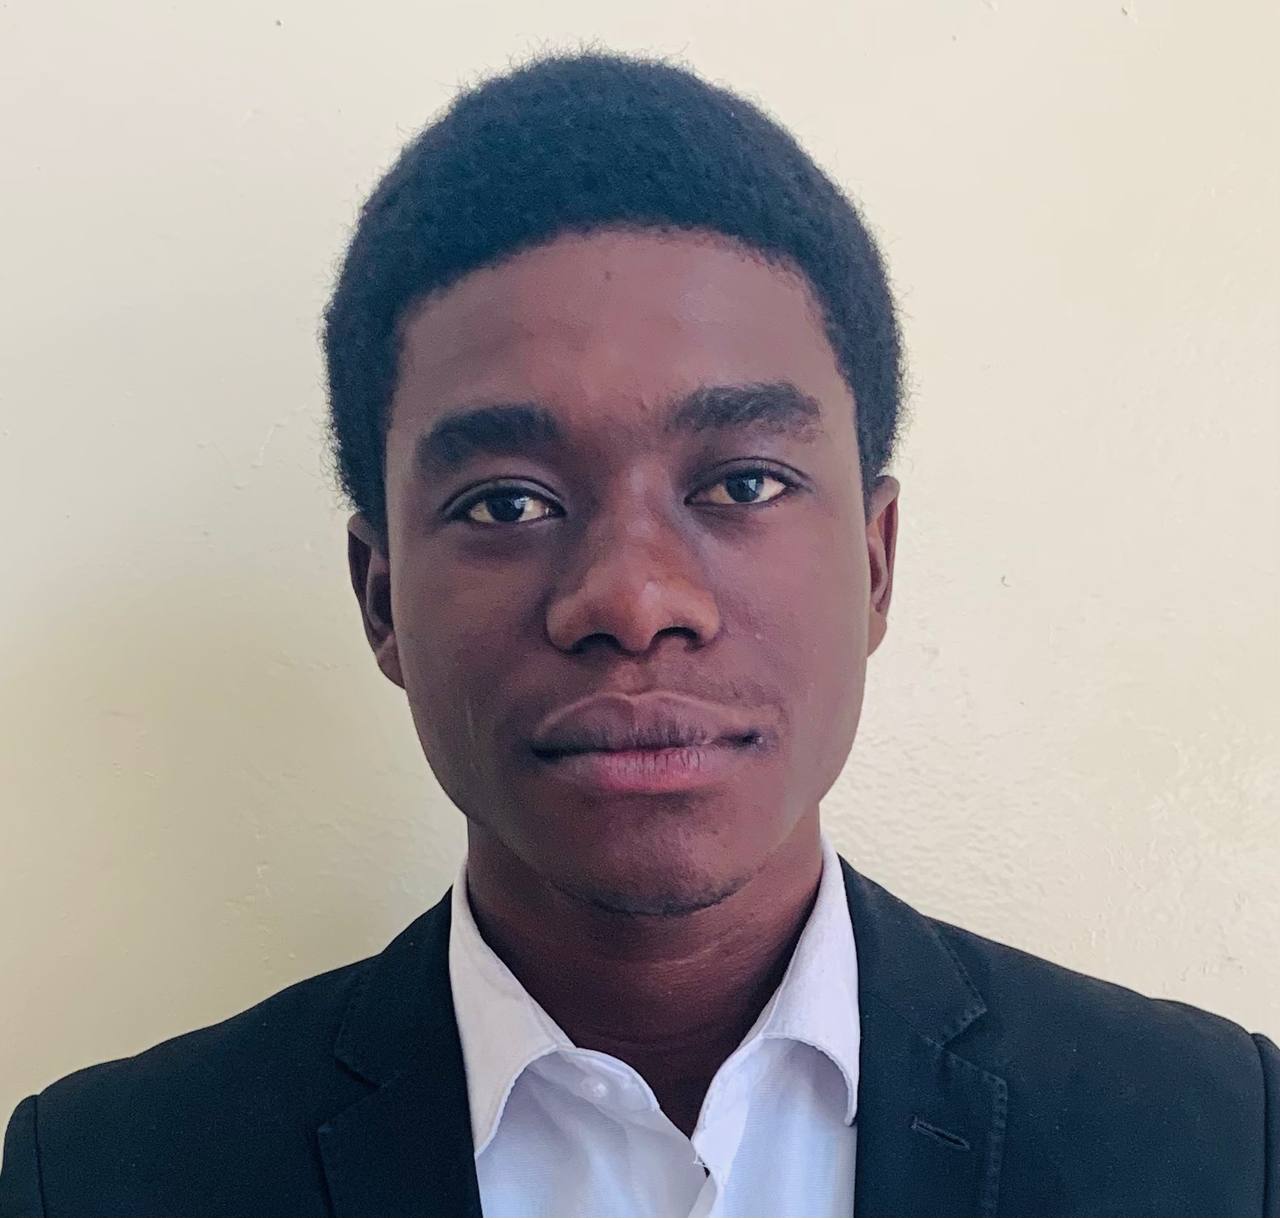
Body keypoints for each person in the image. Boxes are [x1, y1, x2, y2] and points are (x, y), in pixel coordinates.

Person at [1, 49, 1275, 1218]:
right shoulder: (103, 1178)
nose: (631, 598)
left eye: (742, 483)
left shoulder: (1220, 1141)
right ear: (379, 598)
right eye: (506, 502)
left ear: (874, 563)